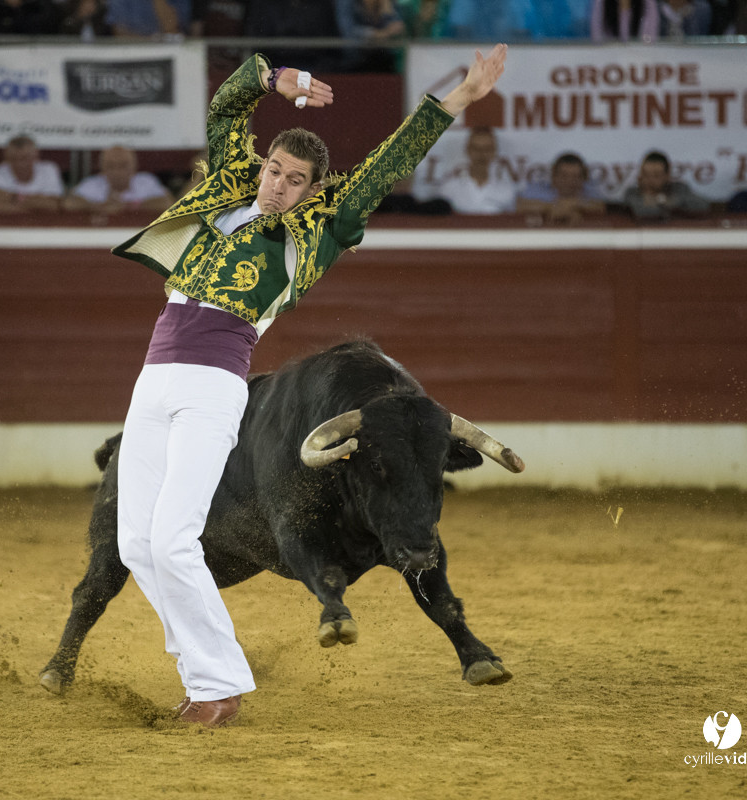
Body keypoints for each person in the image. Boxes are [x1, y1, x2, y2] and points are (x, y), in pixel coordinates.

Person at [109, 44, 508, 727]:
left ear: (314, 190)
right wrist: (272, 78)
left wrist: (461, 98)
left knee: (174, 538)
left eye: (295, 180)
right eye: (274, 170)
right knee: (136, 544)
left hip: (213, 381)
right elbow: (224, 109)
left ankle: (218, 686)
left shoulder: (316, 230)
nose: (277, 185)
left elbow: (389, 162)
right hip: (155, 372)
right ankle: (202, 669)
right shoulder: (231, 187)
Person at [63, 146, 173, 215]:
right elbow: (68, 203)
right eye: (111, 166)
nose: (117, 171)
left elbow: (168, 203)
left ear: (134, 167)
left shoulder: (146, 181)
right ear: (102, 168)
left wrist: (129, 207)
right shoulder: (92, 183)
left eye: (123, 165)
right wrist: (97, 207)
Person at [436, 127, 518, 214]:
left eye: (487, 149)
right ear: (468, 150)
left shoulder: (507, 190)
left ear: (494, 152)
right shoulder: (449, 189)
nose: (481, 154)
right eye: (476, 148)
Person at [0, 136, 64, 214]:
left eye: (24, 158)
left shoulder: (49, 170)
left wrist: (13, 199)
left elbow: (55, 205)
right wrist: (35, 205)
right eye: (14, 158)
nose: (19, 163)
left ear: (35, 156)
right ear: (6, 158)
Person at [516, 152, 604, 225]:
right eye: (564, 176)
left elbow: (602, 206)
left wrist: (574, 204)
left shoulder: (591, 191)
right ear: (554, 176)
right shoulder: (538, 190)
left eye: (576, 176)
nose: (570, 181)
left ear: (584, 178)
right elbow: (520, 206)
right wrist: (551, 207)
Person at [622, 150, 709, 220]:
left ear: (667, 176)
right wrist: (666, 203)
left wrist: (663, 201)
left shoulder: (679, 189)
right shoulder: (632, 193)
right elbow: (644, 212)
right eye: (646, 175)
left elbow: (703, 205)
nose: (650, 180)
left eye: (656, 175)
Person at [591, 0, 659, 41]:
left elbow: (651, 37)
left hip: (640, 56)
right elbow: (597, 35)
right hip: (610, 57)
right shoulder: (601, 2)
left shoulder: (648, 2)